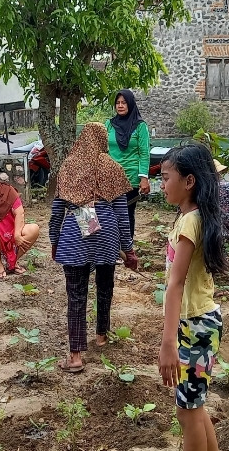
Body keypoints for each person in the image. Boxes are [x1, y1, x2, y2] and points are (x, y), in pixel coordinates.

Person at [49, 122, 139, 373]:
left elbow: (57, 211)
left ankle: (76, 356)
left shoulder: (69, 166)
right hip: (108, 232)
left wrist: (54, 241)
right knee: (105, 286)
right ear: (102, 140)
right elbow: (122, 214)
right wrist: (129, 249)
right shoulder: (112, 167)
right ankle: (101, 336)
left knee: (76, 294)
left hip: (75, 232)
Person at [157, 144, 227, 451]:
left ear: (189, 182)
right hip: (199, 324)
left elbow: (176, 284)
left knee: (187, 413)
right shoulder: (192, 217)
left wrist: (168, 342)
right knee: (193, 411)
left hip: (194, 328)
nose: (161, 184)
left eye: (166, 177)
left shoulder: (190, 221)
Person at [105, 89, 151, 238]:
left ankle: (127, 250)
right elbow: (102, 149)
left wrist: (143, 177)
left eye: (124, 102)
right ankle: (112, 248)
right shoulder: (109, 125)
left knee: (126, 214)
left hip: (130, 177)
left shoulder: (140, 126)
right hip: (111, 177)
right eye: (117, 103)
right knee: (109, 214)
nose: (120, 106)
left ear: (130, 104)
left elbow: (144, 152)